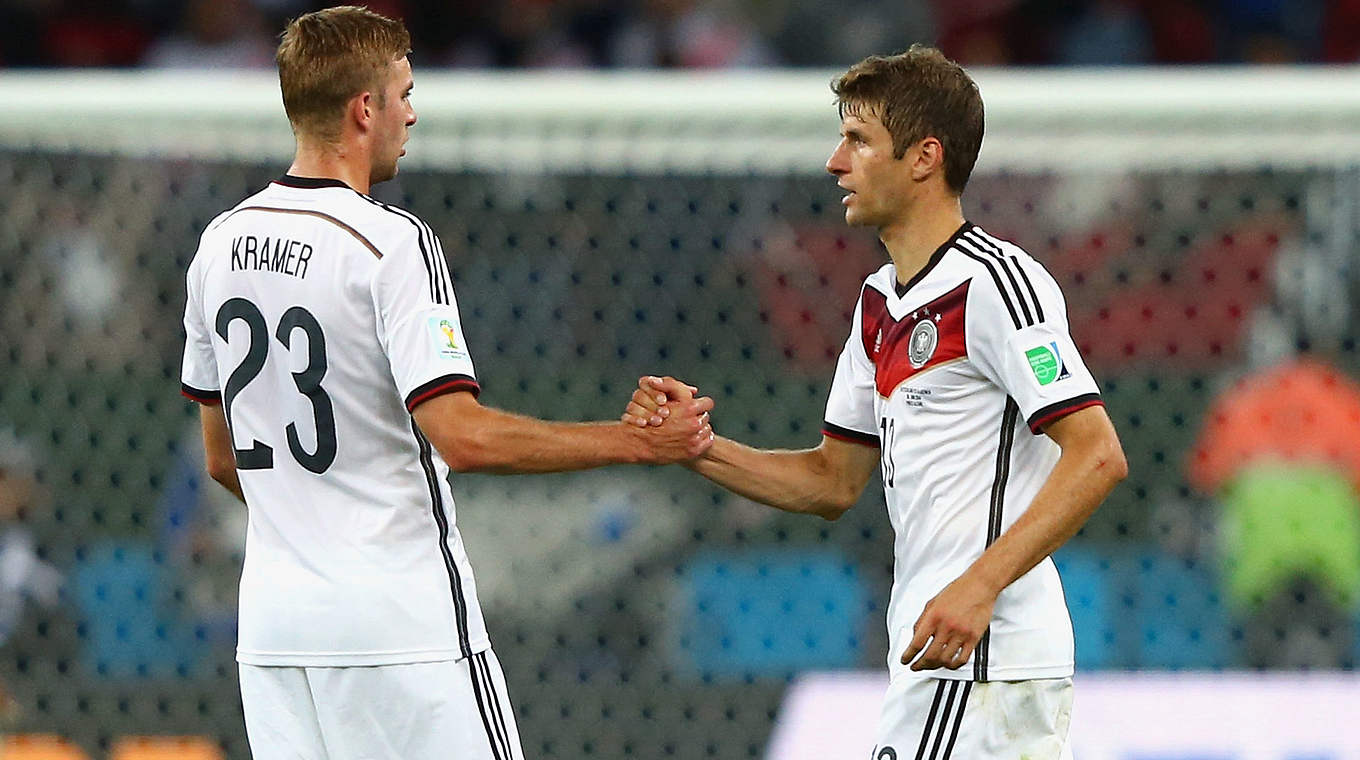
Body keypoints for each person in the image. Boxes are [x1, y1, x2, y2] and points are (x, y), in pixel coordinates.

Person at [178, 7, 713, 759]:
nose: (413, 113)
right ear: (365, 109)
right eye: (404, 93)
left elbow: (221, 460)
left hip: (274, 631)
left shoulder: (219, 244)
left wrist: (313, 520)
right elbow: (462, 436)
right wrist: (630, 441)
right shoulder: (391, 242)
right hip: (400, 623)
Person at [625, 46, 1127, 759]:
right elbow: (832, 482)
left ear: (924, 157)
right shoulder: (877, 304)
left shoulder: (996, 284)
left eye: (858, 140)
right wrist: (698, 447)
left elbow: (1098, 454)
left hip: (985, 658)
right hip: (939, 655)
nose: (836, 162)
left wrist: (977, 588)